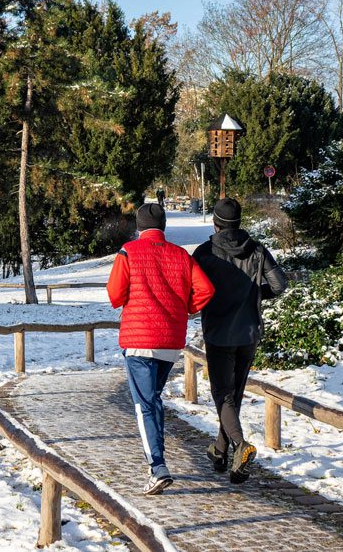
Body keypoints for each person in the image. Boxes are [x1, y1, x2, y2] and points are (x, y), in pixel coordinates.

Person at [107, 203, 214, 494]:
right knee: (154, 399)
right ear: (164, 226)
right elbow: (205, 289)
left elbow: (115, 295)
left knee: (143, 404)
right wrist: (184, 309)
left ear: (138, 226)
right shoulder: (181, 255)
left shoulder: (128, 251)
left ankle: (157, 466)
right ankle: (159, 461)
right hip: (170, 341)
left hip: (139, 340)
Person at [192, 198, 287, 484]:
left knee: (222, 394)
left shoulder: (204, 252)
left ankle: (240, 445)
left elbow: (191, 291)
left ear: (215, 222)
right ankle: (221, 453)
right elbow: (279, 285)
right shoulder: (257, 250)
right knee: (233, 394)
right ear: (239, 221)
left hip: (219, 332)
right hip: (248, 332)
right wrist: (254, 295)